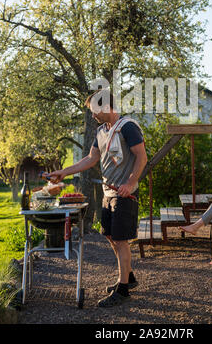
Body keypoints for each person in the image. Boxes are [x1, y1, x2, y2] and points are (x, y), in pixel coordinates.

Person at [47, 89, 147, 307]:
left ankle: (122, 290)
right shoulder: (102, 131)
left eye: (94, 111)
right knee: (111, 236)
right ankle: (128, 278)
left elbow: (142, 156)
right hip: (108, 192)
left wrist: (130, 183)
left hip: (124, 193)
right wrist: (64, 172)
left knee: (121, 240)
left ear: (105, 107)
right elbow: (91, 159)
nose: (92, 116)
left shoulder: (128, 127)